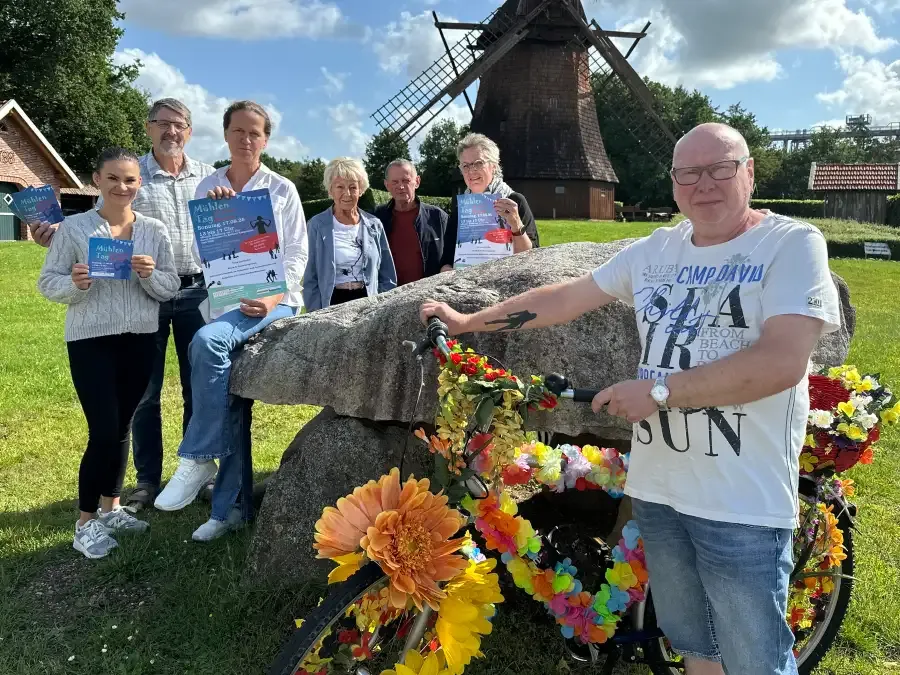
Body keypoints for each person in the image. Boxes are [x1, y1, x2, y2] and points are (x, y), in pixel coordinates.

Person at [420, 123, 841, 675]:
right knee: (695, 647)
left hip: (741, 502)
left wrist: (660, 394)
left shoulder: (790, 244)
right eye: (688, 173)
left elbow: (782, 360)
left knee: (755, 660)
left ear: (750, 172)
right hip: (660, 492)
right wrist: (467, 320)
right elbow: (563, 298)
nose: (704, 184)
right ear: (674, 183)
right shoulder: (658, 249)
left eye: (720, 168)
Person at [32, 98, 216, 511]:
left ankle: (198, 471)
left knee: (199, 387)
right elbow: (99, 224)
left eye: (179, 124)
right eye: (162, 123)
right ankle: (147, 480)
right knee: (145, 396)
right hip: (138, 299)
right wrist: (57, 240)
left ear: (190, 130)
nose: (171, 131)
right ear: (148, 128)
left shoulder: (209, 177)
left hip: (196, 288)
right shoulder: (133, 173)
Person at [152, 101, 308, 541]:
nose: (246, 139)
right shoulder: (208, 187)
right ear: (225, 134)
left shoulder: (281, 188)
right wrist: (220, 215)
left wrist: (273, 296)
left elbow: (297, 253)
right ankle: (229, 511)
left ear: (266, 139)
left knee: (206, 342)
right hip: (227, 301)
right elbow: (202, 255)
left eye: (255, 132)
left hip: (275, 300)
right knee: (230, 399)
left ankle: (198, 455)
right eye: (238, 130)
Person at [37, 147, 180, 559]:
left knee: (121, 428)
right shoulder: (74, 229)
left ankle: (111, 508)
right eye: (113, 178)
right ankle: (85, 524)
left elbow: (170, 286)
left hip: (140, 338)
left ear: (140, 183)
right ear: (96, 180)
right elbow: (48, 282)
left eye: (130, 179)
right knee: (102, 431)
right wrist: (75, 284)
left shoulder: (153, 230)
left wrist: (150, 276)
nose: (122, 186)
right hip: (91, 340)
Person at [303, 157, 396, 310]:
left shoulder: (374, 224)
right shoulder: (316, 225)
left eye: (353, 187)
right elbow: (309, 276)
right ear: (330, 190)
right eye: (340, 187)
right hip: (331, 303)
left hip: (369, 302)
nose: (347, 193)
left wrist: (382, 307)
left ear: (361, 190)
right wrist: (315, 313)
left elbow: (387, 274)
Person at [441, 132, 539, 271]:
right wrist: (447, 271)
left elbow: (533, 255)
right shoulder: (461, 210)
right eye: (465, 166)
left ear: (493, 166)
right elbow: (446, 259)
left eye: (478, 163)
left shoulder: (515, 201)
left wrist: (516, 225)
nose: (471, 171)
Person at [373, 159, 449, 285]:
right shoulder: (375, 219)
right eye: (395, 182)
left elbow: (452, 253)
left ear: (417, 181)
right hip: (388, 293)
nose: (401, 186)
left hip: (429, 292)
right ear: (387, 185)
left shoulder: (438, 217)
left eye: (406, 180)